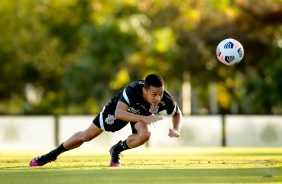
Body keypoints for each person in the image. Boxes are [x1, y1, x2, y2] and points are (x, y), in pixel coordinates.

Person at [29, 73, 182, 167]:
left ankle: (116, 150)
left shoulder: (165, 98)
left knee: (145, 134)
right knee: (86, 136)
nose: (158, 98)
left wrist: (176, 129)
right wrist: (146, 117)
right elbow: (120, 113)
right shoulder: (132, 90)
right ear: (144, 90)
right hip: (117, 110)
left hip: (140, 115)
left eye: (160, 94)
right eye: (154, 94)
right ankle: (50, 155)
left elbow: (177, 113)